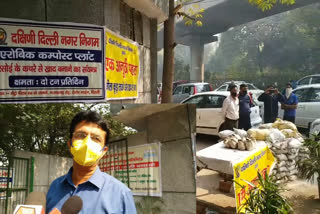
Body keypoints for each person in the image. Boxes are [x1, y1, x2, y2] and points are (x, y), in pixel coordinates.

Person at [46, 111, 137, 214]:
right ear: (70, 144)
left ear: (103, 151)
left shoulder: (121, 193)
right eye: (81, 135)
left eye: (96, 138)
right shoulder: (55, 186)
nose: (87, 143)